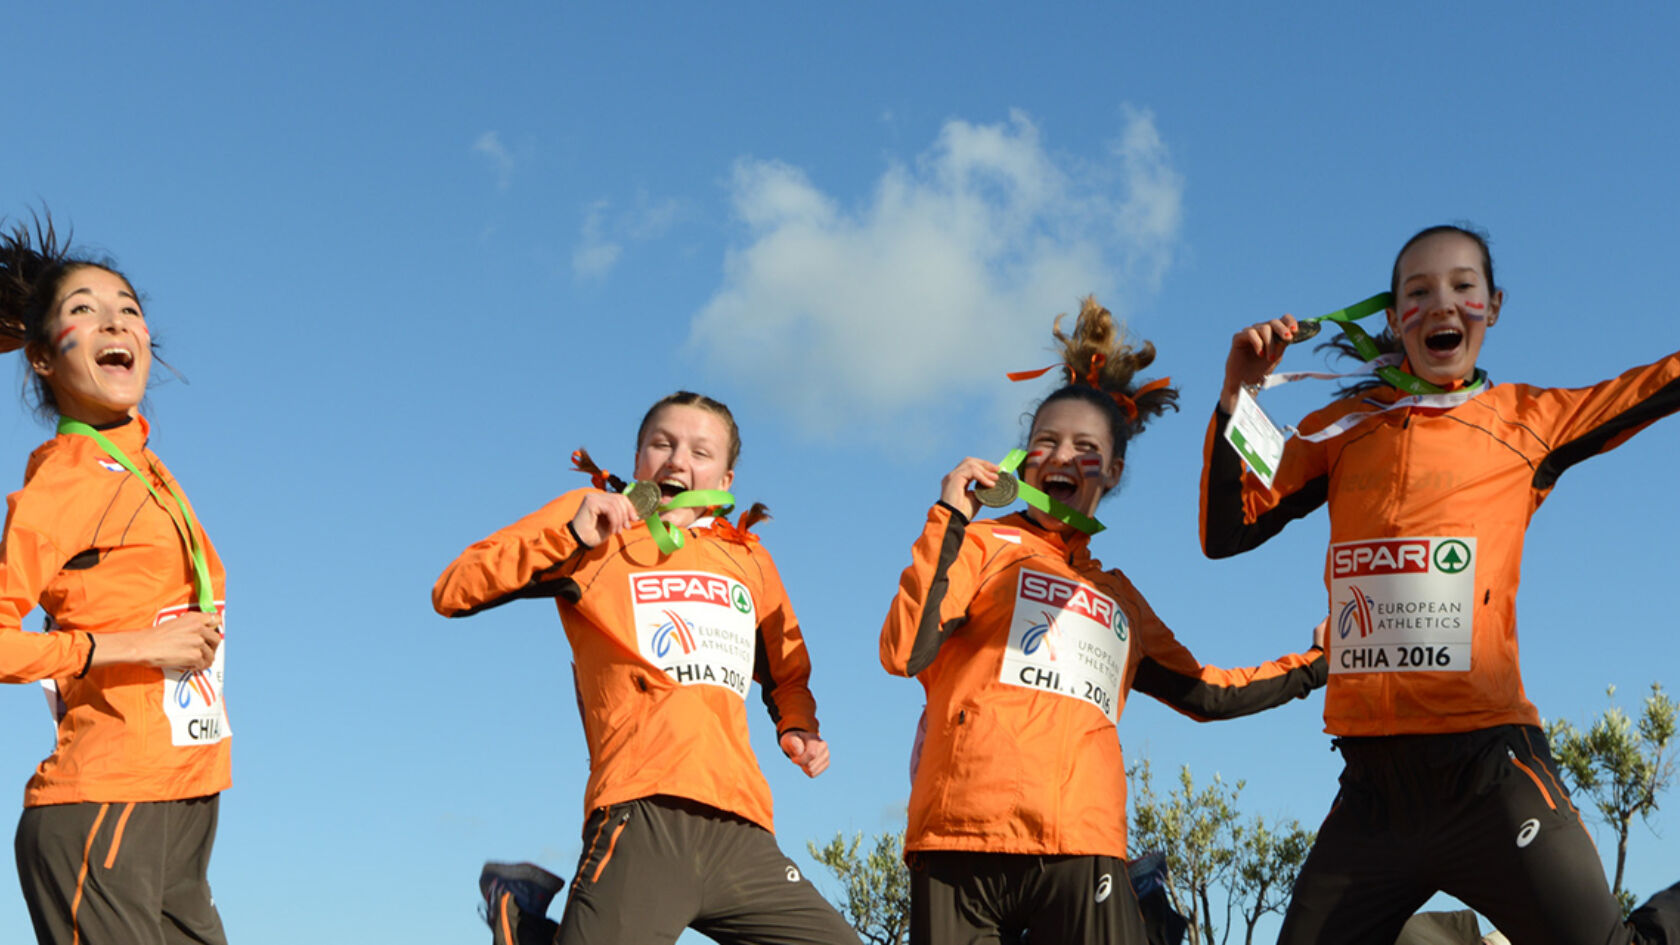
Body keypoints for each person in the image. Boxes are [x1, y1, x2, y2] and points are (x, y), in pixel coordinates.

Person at [1203, 224, 1680, 944]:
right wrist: (1239, 390)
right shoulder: (1341, 427)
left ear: (1492, 307)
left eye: (1464, 287)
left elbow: (1652, 386)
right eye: (1417, 293)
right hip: (1373, 795)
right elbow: (1229, 529)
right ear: (1394, 320)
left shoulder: (1528, 420)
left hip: (1487, 772)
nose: (1442, 304)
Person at [880, 297, 1328, 945]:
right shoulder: (978, 544)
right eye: (1045, 441)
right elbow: (905, 651)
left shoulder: (1119, 598)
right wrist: (950, 516)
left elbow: (1207, 691)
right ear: (1022, 459)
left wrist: (1315, 665)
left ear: (1112, 471)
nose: (1062, 455)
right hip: (959, 839)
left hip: (1083, 844)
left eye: (1086, 447)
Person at [432, 391, 855, 945]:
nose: (679, 461)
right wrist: (571, 535)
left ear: (725, 482)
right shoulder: (595, 521)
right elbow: (455, 588)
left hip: (742, 826)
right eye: (663, 444)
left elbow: (784, 667)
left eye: (701, 452)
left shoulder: (748, 556)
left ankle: (530, 928)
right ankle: (521, 919)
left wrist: (797, 725)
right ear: (637, 463)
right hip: (644, 809)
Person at [0, 214, 229, 945]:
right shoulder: (60, 487)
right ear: (41, 356)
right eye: (83, 310)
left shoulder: (146, 469)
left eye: (128, 308)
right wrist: (124, 646)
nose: (115, 321)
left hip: (184, 803)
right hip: (100, 805)